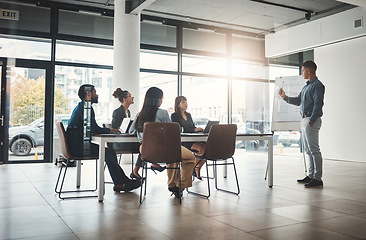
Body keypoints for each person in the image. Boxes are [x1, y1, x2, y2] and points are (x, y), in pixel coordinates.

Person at [66, 84, 141, 192]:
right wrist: (109, 130)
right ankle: (120, 182)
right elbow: (94, 129)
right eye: (94, 92)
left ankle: (121, 181)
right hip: (78, 148)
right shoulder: (86, 107)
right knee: (109, 153)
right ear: (88, 94)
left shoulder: (81, 106)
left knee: (109, 152)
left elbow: (92, 128)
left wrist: (107, 130)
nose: (97, 94)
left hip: (75, 145)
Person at [129, 87, 196, 198]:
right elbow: (173, 132)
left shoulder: (139, 114)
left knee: (173, 156)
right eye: (162, 98)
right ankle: (179, 186)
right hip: (164, 148)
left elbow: (131, 131)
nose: (162, 101)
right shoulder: (163, 113)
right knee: (189, 158)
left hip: (146, 150)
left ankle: (173, 184)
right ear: (157, 99)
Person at [279, 61, 325, 187]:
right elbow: (298, 101)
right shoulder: (306, 87)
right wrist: (285, 97)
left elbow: (318, 104)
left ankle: (317, 178)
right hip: (305, 120)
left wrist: (312, 120)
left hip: (311, 120)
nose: (302, 72)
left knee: (314, 150)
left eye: (303, 70)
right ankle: (311, 175)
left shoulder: (317, 86)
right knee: (308, 150)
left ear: (309, 71)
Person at [171, 96, 206, 180]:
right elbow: (178, 129)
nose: (186, 104)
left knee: (208, 148)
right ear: (178, 104)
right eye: (183, 102)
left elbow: (193, 127)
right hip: (183, 141)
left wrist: (198, 130)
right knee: (201, 149)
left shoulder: (188, 115)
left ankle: (197, 167)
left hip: (192, 139)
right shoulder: (174, 116)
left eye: (186, 101)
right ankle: (191, 169)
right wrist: (194, 129)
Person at [110, 88, 141, 180]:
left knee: (145, 146)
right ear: (124, 99)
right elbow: (115, 129)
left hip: (126, 140)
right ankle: (135, 171)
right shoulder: (117, 112)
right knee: (143, 147)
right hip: (119, 143)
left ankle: (135, 171)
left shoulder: (128, 112)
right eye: (130, 96)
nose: (132, 98)